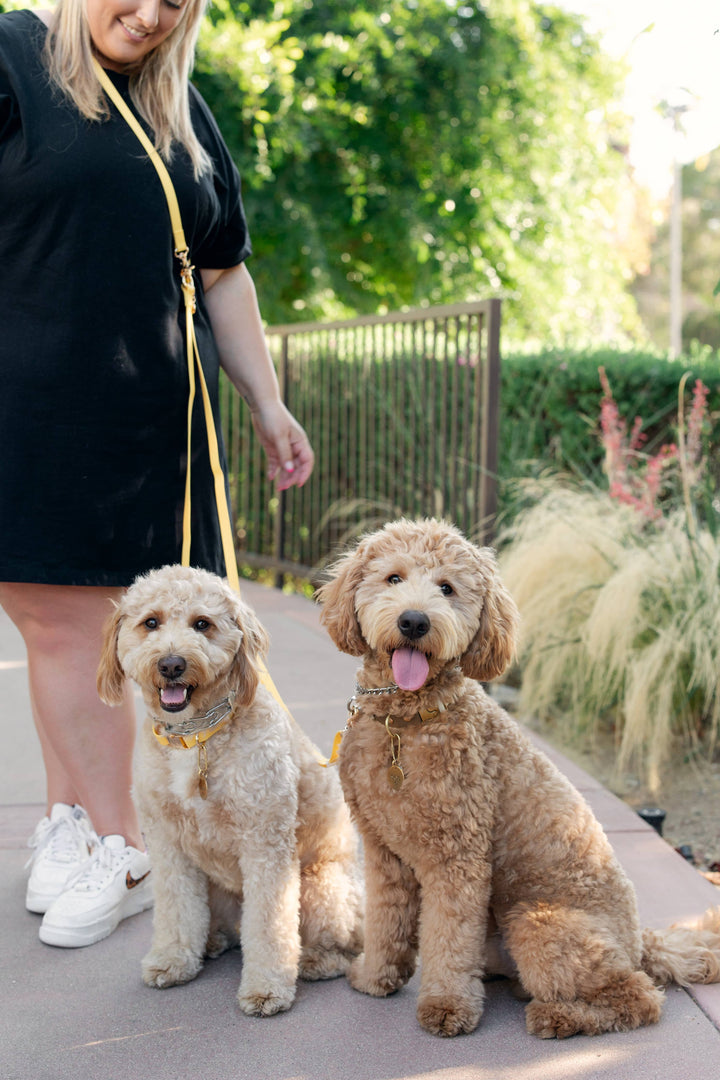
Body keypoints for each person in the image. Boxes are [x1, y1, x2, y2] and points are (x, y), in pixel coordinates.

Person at [0, 0, 314, 947]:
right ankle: (126, 843)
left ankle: (76, 824)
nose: (147, 14)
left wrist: (266, 402)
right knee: (57, 619)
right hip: (32, 398)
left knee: (81, 627)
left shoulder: (179, 105)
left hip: (152, 424)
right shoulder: (12, 52)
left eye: (174, 1)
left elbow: (222, 271)